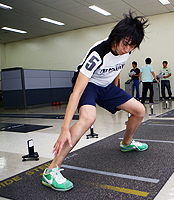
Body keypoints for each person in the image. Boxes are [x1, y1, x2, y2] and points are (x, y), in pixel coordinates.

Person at [42, 12, 149, 192]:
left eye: (132, 46)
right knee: (88, 118)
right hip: (88, 84)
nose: (127, 49)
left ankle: (126, 143)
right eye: (125, 43)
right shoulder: (98, 53)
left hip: (106, 86)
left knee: (139, 110)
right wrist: (63, 129)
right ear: (117, 36)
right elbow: (76, 92)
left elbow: (117, 67)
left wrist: (116, 88)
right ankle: (51, 170)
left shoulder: (127, 51)